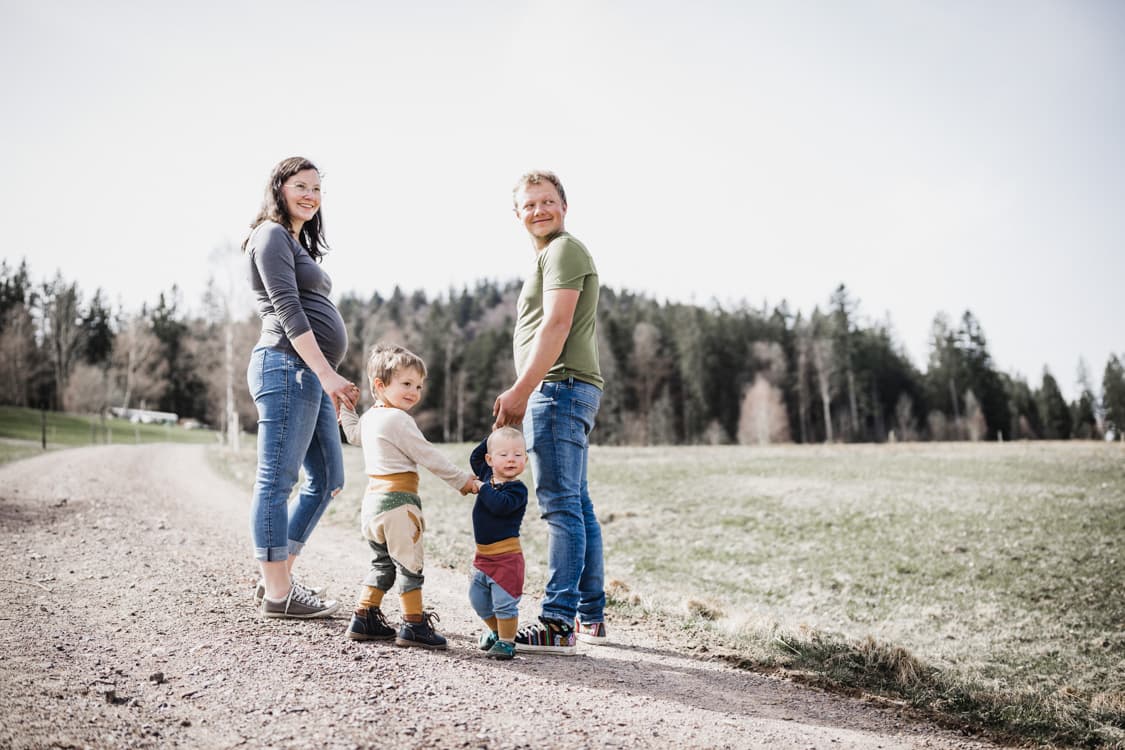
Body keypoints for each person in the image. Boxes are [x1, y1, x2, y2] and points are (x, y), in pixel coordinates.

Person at [493, 170, 607, 655]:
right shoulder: (550, 255)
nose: (539, 210)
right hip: (565, 388)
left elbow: (557, 325)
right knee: (577, 504)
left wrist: (522, 389)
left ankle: (557, 621)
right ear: (517, 214)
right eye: (529, 204)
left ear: (564, 205)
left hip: (558, 389)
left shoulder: (564, 250)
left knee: (561, 508)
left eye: (547, 201)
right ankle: (590, 615)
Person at [244, 156, 359, 619]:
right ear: (279, 188)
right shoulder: (270, 234)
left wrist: (323, 374)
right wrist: (328, 374)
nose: (310, 195)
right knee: (277, 480)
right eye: (301, 186)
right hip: (286, 366)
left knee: (329, 478)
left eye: (316, 188)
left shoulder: (293, 241)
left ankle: (279, 576)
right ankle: (278, 593)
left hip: (306, 372)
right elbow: (289, 312)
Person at [338, 343, 479, 649]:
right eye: (405, 384)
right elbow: (429, 456)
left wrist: (346, 408)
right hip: (399, 505)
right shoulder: (399, 420)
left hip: (372, 506)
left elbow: (352, 434)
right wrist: (463, 481)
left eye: (418, 385)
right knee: (409, 566)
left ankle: (364, 616)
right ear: (380, 385)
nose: (414, 392)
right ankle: (413, 624)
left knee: (382, 564)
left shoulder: (372, 417)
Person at [467, 427, 529, 660]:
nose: (511, 459)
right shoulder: (486, 473)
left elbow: (499, 505)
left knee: (504, 604)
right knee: (478, 599)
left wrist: (482, 487)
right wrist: (495, 432)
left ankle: (506, 641)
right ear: (490, 460)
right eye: (503, 454)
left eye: (517, 454)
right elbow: (475, 456)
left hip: (507, 559)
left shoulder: (517, 489)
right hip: (482, 558)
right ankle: (495, 632)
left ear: (525, 459)